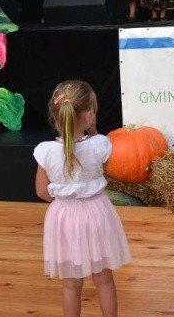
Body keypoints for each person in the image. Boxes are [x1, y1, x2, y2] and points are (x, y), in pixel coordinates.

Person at [34, 80, 131, 317]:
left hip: (63, 217)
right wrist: (94, 131)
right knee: (104, 279)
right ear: (89, 116)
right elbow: (103, 163)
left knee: (71, 284)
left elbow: (41, 191)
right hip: (96, 213)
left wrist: (64, 202)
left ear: (56, 118)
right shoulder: (100, 144)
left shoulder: (45, 151)